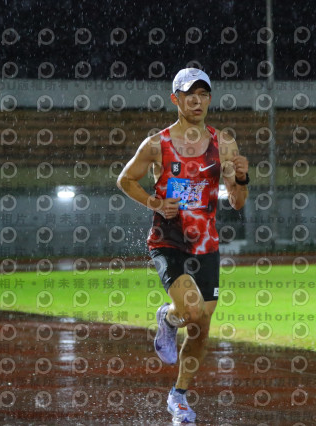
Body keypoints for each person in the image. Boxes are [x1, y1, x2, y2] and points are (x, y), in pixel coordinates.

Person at [116, 68, 249, 423]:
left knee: (201, 327)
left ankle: (179, 396)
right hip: (169, 241)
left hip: (206, 245)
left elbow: (237, 201)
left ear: (210, 99)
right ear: (176, 99)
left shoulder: (224, 143)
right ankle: (169, 316)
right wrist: (157, 203)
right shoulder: (156, 144)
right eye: (190, 95)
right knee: (192, 312)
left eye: (203, 94)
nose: (197, 101)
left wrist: (242, 177)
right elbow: (125, 179)